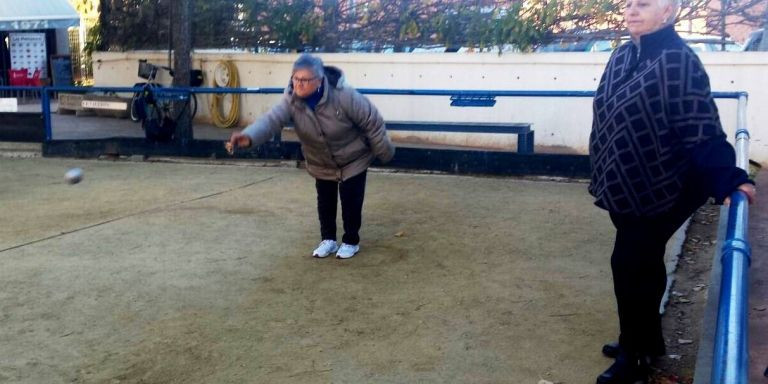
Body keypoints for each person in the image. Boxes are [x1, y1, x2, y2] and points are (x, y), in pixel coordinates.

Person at [589, 0, 756, 383]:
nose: (631, 10)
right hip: (624, 185)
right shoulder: (622, 55)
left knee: (630, 265)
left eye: (643, 4)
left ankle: (635, 356)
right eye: (628, 3)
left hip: (661, 185)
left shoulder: (678, 60)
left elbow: (701, 127)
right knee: (639, 263)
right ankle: (644, 340)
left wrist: (729, 178)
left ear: (668, 12)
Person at [228, 54, 395, 259]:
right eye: (295, 78)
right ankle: (328, 240)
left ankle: (351, 241)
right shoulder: (291, 100)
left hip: (353, 157)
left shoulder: (344, 96)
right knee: (325, 200)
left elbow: (372, 121)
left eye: (305, 80)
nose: (298, 84)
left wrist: (384, 151)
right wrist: (249, 137)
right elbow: (271, 120)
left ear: (319, 80)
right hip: (320, 159)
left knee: (351, 199)